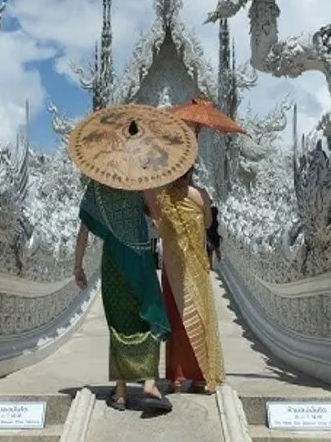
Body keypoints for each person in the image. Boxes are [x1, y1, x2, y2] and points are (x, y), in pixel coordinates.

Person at [73, 179, 173, 412]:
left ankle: (120, 393)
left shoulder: (97, 185)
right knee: (148, 313)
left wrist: (78, 266)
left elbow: (83, 230)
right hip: (138, 257)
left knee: (118, 322)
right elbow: (158, 217)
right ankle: (149, 382)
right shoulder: (138, 178)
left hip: (113, 261)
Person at [145, 166, 226, 394]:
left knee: (176, 320)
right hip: (196, 267)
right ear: (191, 171)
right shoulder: (201, 195)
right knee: (199, 317)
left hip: (173, 270)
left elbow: (157, 225)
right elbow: (209, 224)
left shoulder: (163, 198)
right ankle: (200, 376)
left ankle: (177, 377)